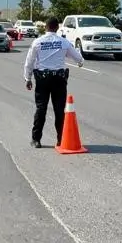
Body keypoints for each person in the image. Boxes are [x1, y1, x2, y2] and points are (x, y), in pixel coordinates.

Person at [22, 17, 84, 148]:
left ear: (46, 27)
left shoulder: (38, 42)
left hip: (42, 80)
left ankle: (36, 140)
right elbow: (78, 58)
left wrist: (28, 78)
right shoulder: (63, 42)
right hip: (59, 80)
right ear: (57, 28)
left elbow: (29, 62)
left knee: (41, 109)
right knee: (59, 110)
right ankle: (61, 140)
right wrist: (80, 62)